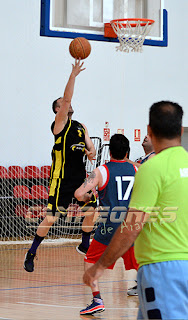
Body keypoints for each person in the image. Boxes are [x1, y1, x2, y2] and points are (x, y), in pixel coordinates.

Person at [82, 101, 188, 320]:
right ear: (180, 130)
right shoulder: (142, 167)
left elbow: (132, 226)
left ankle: (97, 299)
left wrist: (99, 267)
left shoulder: (150, 169)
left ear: (149, 130)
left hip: (162, 268)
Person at [24, 59, 96, 272]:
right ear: (57, 109)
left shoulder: (81, 127)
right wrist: (73, 75)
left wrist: (88, 152)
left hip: (79, 179)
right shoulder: (59, 124)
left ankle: (84, 244)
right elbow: (67, 99)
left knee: (92, 210)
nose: (68, 104)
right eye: (63, 104)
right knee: (51, 218)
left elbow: (91, 149)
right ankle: (31, 252)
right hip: (61, 180)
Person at [74, 134, 138, 315]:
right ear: (127, 152)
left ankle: (97, 300)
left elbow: (79, 194)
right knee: (141, 264)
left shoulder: (102, 171)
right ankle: (158, 296)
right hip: (131, 224)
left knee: (90, 260)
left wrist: (89, 197)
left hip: (109, 225)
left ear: (109, 152)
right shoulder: (136, 169)